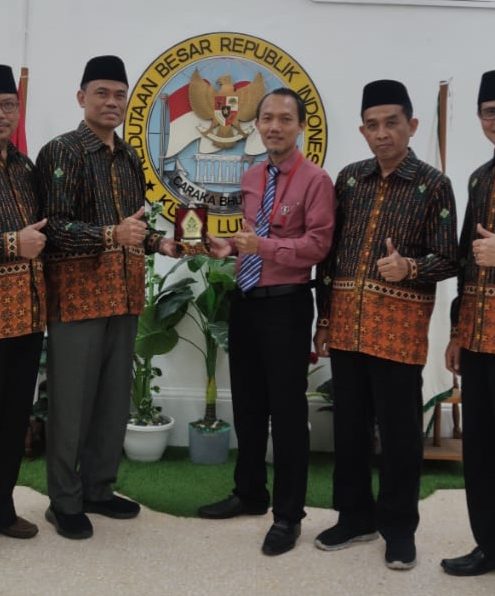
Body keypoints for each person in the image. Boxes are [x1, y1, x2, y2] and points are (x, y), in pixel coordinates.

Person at [314, 80, 458, 569]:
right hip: (347, 328)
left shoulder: (433, 184)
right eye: (372, 125)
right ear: (362, 130)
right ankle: (355, 517)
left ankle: (399, 529)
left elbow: (450, 257)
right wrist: (324, 319)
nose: (382, 133)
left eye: (391, 123)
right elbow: (330, 256)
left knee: (399, 436)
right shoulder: (349, 180)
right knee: (350, 429)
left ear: (411, 125)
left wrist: (409, 267)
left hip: (398, 333)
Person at [36, 55, 176, 540]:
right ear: (82, 97)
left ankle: (98, 488)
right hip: (77, 298)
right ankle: (64, 501)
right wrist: (109, 235)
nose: (111, 102)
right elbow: (53, 228)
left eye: (119, 94)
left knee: (113, 402)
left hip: (124, 292)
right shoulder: (62, 152)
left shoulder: (130, 157)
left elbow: (136, 224)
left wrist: (161, 243)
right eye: (102, 93)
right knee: (71, 406)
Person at [197, 88, 336, 556]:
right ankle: (250, 493)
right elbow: (249, 239)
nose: (275, 126)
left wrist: (265, 248)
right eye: (267, 118)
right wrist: (229, 249)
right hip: (246, 301)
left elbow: (318, 246)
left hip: (287, 305)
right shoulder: (252, 176)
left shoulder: (316, 180)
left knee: (288, 414)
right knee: (249, 406)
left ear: (300, 126)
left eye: (285, 119)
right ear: (256, 125)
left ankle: (288, 515)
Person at [441, 70, 495, 577]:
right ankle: (488, 545)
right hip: (480, 337)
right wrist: (458, 331)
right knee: (479, 448)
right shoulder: (479, 178)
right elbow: (463, 261)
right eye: (489, 111)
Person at [0, 64, 47, 539]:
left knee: (13, 417)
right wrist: (14, 243)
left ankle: (2, 507)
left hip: (27, 316)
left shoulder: (25, 168)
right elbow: (24, 240)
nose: (3, 113)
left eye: (9, 104)